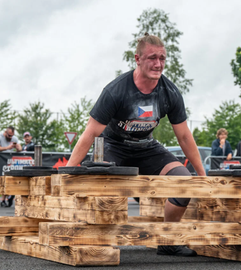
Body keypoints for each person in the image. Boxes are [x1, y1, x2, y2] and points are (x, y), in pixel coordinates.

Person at [66, 33, 205, 257]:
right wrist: (68, 171)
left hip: (146, 147)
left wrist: (201, 174)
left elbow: (185, 136)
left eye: (162, 58)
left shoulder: (169, 92)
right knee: (105, 187)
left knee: (184, 181)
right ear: (138, 59)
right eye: (152, 58)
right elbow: (91, 132)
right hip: (113, 146)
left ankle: (168, 240)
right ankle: (102, 240)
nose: (158, 64)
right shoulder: (116, 90)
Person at [0, 126, 22, 207]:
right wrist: (8, 147)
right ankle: (4, 199)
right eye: (9, 135)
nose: (10, 137)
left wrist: (17, 148)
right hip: (1, 162)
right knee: (3, 181)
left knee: (11, 180)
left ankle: (9, 196)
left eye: (12, 135)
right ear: (5, 133)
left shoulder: (14, 139)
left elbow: (20, 148)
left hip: (10, 161)